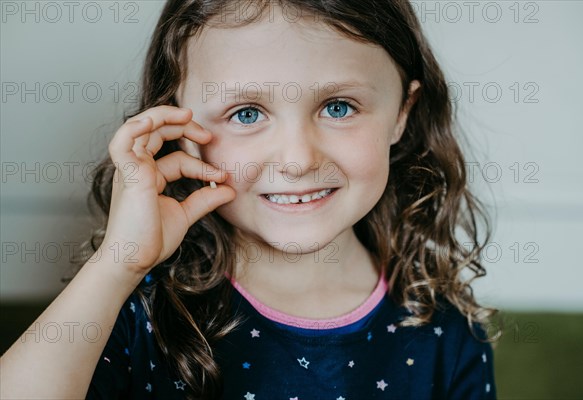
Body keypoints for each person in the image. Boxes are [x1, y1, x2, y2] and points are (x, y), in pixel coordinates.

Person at [0, 0, 501, 398]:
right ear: (178, 125)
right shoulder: (140, 312)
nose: (297, 159)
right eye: (245, 113)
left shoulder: (444, 332)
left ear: (402, 113)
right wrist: (119, 264)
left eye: (339, 106)